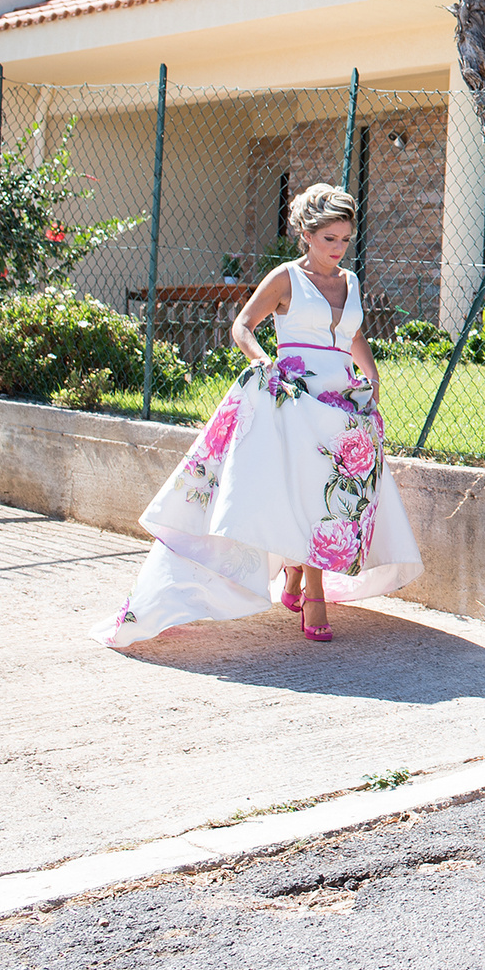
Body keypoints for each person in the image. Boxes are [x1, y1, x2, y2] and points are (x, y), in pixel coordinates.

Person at [95, 184, 422, 648]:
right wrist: (261, 360)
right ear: (307, 236)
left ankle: (294, 574)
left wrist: (371, 377)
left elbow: (354, 336)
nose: (338, 248)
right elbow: (242, 325)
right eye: (330, 238)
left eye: (345, 239)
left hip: (341, 404)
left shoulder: (349, 282)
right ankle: (313, 594)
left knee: (329, 500)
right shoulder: (286, 277)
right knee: (308, 493)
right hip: (292, 399)